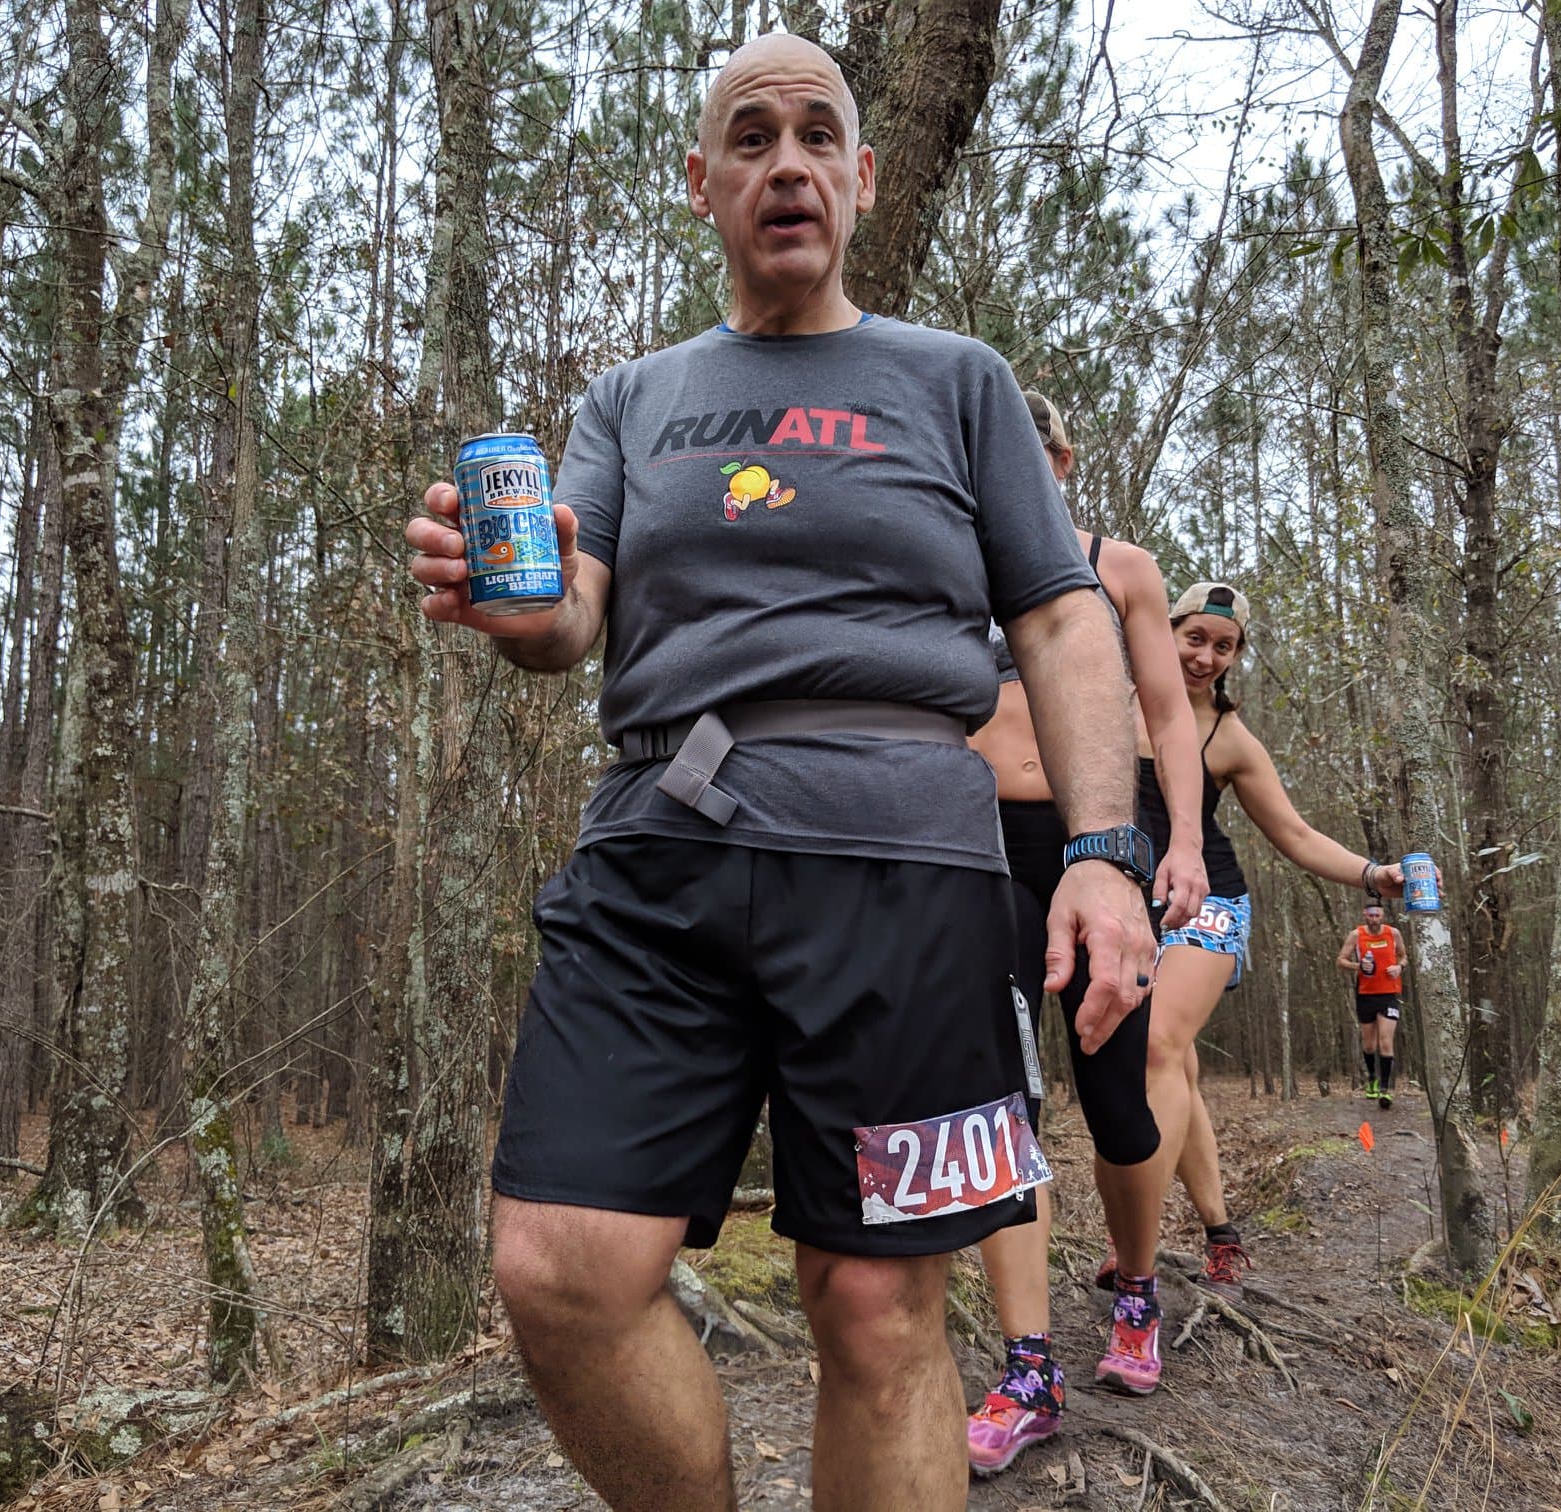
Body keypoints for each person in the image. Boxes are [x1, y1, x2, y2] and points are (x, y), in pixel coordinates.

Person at [406, 35, 1157, 1512]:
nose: (788, 161)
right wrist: (518, 606)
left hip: (910, 874)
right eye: (750, 137)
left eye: (820, 134)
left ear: (865, 180)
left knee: (877, 1309)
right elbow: (568, 618)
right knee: (558, 1270)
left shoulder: (958, 382)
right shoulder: (631, 402)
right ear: (703, 184)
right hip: (657, 854)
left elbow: (1066, 620)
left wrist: (1102, 853)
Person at [1077, 583, 1407, 1410]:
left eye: (1223, 646)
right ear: (1166, 631)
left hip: (1208, 903)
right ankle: (1219, 1230)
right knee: (1174, 1067)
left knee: (1156, 1047)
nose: (1204, 656)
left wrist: (1373, 873)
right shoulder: (1105, 699)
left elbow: (1292, 834)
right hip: (1123, 897)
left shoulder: (1228, 736)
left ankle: (1139, 1277)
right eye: (1195, 636)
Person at [963, 393, 1208, 1476]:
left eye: (1029, 449)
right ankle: (1028, 1367)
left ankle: (1138, 1290)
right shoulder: (941, 560)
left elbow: (1166, 716)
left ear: (1060, 457)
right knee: (1000, 1104)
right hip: (976, 850)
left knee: (1114, 1095)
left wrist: (1185, 842)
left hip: (1100, 847)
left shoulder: (1123, 569)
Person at [1340, 900, 1409, 1109]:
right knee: (1369, 1044)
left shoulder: (1393, 933)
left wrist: (1399, 967)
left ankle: (1386, 1090)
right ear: (1365, 915)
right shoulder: (1357, 935)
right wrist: (1358, 966)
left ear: (1383, 915)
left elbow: (1404, 956)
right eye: (1370, 915)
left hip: (1389, 993)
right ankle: (1372, 1078)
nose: (1374, 919)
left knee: (1386, 1042)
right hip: (1365, 994)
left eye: (1377, 915)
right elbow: (1341, 960)